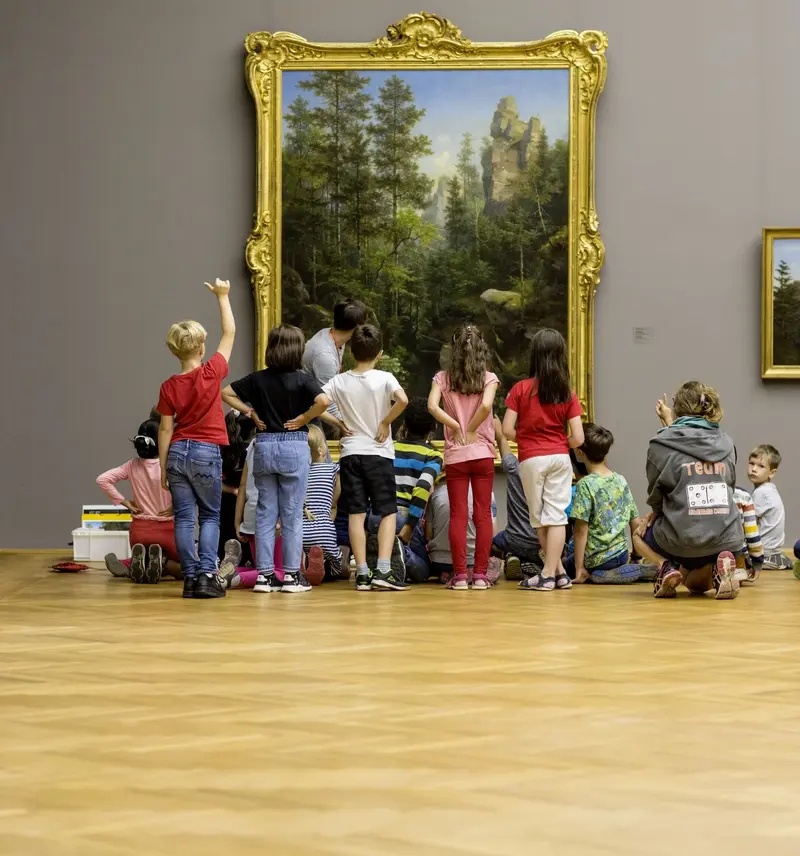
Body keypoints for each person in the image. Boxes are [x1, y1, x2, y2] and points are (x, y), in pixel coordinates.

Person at [222, 324, 338, 594]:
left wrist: (250, 413)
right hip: (293, 448)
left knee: (264, 513)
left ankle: (264, 577)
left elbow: (225, 392)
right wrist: (304, 419)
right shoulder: (301, 380)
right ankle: (291, 576)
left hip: (264, 446)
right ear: (297, 350)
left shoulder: (257, 379)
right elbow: (323, 401)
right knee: (292, 515)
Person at [157, 278, 238, 600]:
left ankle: (189, 579)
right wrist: (222, 296)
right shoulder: (211, 372)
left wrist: (164, 468)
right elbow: (230, 332)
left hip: (176, 453)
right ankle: (207, 575)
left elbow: (165, 429)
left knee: (184, 518)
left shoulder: (168, 386)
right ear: (202, 348)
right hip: (206, 453)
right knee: (209, 517)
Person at [632, 382, 743, 600]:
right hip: (726, 537)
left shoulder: (659, 444)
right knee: (695, 587)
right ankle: (717, 568)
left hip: (680, 540)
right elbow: (729, 485)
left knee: (638, 533)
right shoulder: (727, 443)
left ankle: (664, 567)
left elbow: (656, 492)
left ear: (677, 408)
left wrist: (655, 512)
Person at [322, 324, 409, 591]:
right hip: (379, 454)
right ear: (379, 353)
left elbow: (316, 404)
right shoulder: (385, 378)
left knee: (356, 514)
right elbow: (403, 400)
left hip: (351, 454)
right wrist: (385, 422)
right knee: (387, 512)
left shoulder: (339, 381)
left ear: (351, 353)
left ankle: (361, 573)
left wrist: (336, 421)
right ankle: (383, 570)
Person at [502, 328, 584, 592]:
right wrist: (560, 444)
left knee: (539, 519)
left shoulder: (520, 390)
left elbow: (506, 430)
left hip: (532, 459)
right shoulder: (567, 393)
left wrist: (526, 441)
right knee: (557, 517)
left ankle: (547, 574)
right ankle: (559, 573)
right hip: (560, 458)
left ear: (535, 355)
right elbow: (579, 438)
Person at [428, 325, 500, 591]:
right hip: (482, 454)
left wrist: (457, 428)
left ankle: (459, 576)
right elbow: (485, 405)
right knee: (481, 515)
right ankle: (480, 575)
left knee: (458, 514)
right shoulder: (489, 378)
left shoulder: (442, 378)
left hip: (456, 455)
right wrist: (471, 429)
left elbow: (432, 406)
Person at [96, 418, 181, 583]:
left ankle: (130, 563)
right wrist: (175, 505)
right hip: (168, 532)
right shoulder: (170, 464)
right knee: (189, 567)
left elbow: (102, 479)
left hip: (139, 533)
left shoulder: (131, 465)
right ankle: (163, 564)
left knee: (143, 551)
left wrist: (124, 501)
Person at [568, 423, 642, 584]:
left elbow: (581, 530)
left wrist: (579, 568)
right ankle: (633, 569)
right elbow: (635, 521)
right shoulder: (620, 480)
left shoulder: (585, 485)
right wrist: (636, 556)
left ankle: (597, 575)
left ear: (580, 453)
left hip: (596, 559)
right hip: (621, 555)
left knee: (566, 564)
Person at [385, 398, 443, 583]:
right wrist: (410, 526)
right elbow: (423, 486)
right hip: (403, 516)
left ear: (405, 423)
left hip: (378, 513)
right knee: (424, 571)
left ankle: (383, 558)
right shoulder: (432, 455)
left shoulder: (389, 448)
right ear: (432, 427)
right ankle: (402, 551)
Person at [302, 300, 367, 435]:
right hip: (306, 410)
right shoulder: (324, 355)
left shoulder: (330, 335)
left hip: (316, 402)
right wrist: (349, 424)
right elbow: (327, 401)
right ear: (355, 329)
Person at [491, 416, 541, 581]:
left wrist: (499, 433)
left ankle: (511, 555)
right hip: (542, 542)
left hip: (514, 540)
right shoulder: (550, 474)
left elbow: (504, 446)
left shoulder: (515, 468)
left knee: (492, 542)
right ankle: (538, 564)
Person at [426, 474, 498, 586]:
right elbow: (492, 536)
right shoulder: (488, 495)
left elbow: (428, 535)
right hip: (473, 560)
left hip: (439, 561)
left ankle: (449, 573)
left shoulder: (435, 495)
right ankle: (473, 573)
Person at [303, 425, 343, 583]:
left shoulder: (298, 473)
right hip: (324, 532)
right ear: (321, 450)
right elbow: (334, 502)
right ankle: (325, 569)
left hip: (300, 534)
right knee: (338, 564)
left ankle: (303, 561)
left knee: (295, 549)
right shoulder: (333, 469)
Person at [219, 411, 255, 566]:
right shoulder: (252, 451)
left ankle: (225, 561)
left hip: (225, 502)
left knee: (226, 540)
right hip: (247, 502)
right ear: (254, 430)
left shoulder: (222, 449)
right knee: (246, 542)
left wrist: (231, 490)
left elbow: (214, 481)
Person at [748, 444, 792, 569]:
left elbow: (748, 523)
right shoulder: (770, 489)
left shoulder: (761, 493)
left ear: (771, 473)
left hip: (765, 552)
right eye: (752, 463)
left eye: (761, 466)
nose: (754, 469)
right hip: (774, 550)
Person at [733, 486, 763, 583]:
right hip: (735, 551)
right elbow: (752, 533)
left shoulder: (689, 491)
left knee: (692, 581)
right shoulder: (742, 495)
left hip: (700, 553)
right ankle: (734, 573)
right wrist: (757, 562)